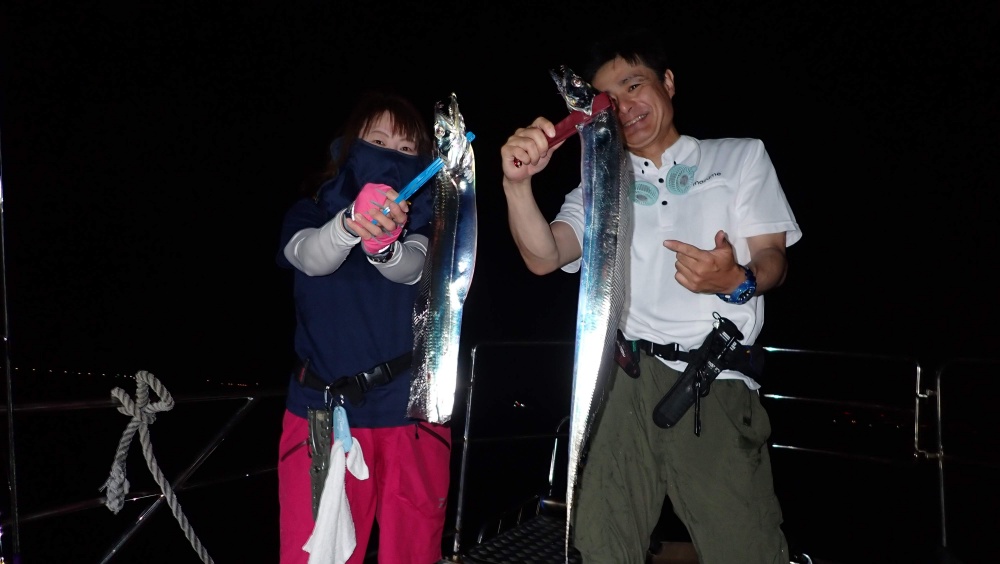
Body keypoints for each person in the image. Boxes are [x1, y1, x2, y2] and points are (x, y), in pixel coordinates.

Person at [499, 29, 802, 564]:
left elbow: (773, 258)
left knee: (745, 548)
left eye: (634, 85)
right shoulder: (599, 184)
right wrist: (516, 184)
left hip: (716, 382)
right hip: (624, 380)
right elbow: (544, 255)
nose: (623, 106)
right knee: (602, 545)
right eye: (607, 100)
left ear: (668, 82)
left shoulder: (738, 158)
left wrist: (737, 280)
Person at [276, 90, 452, 564]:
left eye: (406, 149)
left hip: (414, 413)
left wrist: (386, 247)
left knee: (413, 554)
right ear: (349, 146)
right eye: (378, 141)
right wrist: (349, 225)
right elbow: (309, 256)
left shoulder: (430, 222)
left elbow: (414, 268)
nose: (391, 155)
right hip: (322, 414)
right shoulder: (309, 210)